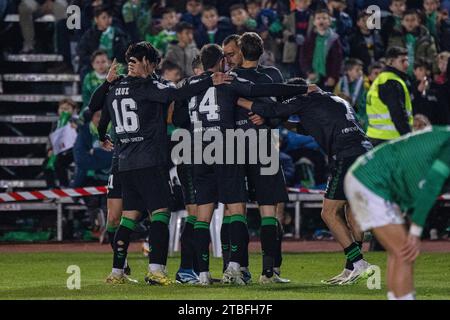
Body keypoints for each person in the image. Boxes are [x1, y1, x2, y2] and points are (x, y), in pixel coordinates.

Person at [103, 41, 233, 285]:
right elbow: (175, 94)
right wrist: (208, 80)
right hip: (149, 161)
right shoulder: (148, 86)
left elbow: (98, 110)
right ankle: (156, 270)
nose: (154, 69)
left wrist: (102, 135)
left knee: (128, 217)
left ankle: (117, 272)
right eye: (152, 64)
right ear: (146, 63)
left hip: (124, 163)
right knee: (160, 215)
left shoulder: (115, 88)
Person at [184, 44, 310, 285]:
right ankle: (235, 267)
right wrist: (302, 88)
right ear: (221, 60)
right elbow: (257, 89)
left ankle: (202, 274)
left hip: (198, 150)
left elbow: (175, 109)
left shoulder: (191, 85)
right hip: (226, 147)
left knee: (203, 216)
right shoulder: (228, 81)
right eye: (226, 56)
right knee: (237, 210)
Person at [237, 78, 374, 285]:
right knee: (351, 211)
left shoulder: (304, 97)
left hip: (346, 156)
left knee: (328, 213)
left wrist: (238, 99)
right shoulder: (334, 100)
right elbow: (305, 127)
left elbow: (273, 109)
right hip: (365, 153)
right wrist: (282, 122)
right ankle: (350, 268)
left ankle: (359, 263)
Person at [345, 126, 450, 300]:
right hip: (371, 181)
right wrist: (416, 231)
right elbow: (431, 186)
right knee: (404, 252)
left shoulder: (443, 136)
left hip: (370, 178)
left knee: (399, 252)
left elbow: (414, 174)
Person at [231, 32, 291, 284]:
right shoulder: (274, 75)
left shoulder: (230, 77)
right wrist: (267, 117)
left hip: (232, 147)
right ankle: (269, 271)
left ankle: (238, 269)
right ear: (262, 51)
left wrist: (258, 112)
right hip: (265, 145)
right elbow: (285, 110)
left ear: (240, 52)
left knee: (237, 211)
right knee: (269, 211)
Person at [171, 56, 204, 284]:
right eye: (204, 69)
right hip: (189, 156)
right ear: (195, 70)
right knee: (194, 214)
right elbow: (175, 120)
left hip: (209, 157)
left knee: (205, 215)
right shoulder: (185, 89)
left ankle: (201, 270)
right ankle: (185, 270)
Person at [366, 46, 413, 146]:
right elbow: (398, 114)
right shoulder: (391, 82)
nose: (407, 64)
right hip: (390, 139)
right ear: (391, 62)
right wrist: (409, 137)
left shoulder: (381, 79)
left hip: (375, 137)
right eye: (402, 61)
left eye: (407, 60)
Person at [78, 6, 129, 81]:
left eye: (109, 17)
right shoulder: (88, 35)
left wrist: (112, 61)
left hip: (113, 64)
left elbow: (124, 52)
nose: (107, 20)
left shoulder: (118, 34)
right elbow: (82, 54)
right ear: (96, 19)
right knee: (84, 71)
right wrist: (96, 62)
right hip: (94, 65)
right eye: (104, 18)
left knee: (124, 69)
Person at [300, 8, 343, 91]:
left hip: (327, 78)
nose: (321, 21)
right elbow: (303, 57)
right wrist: (308, 71)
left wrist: (333, 76)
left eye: (324, 18)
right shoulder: (309, 38)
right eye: (318, 18)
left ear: (329, 22)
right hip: (312, 76)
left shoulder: (334, 39)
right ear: (314, 22)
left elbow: (337, 60)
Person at [387, 9, 437, 77]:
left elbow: (432, 57)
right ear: (402, 22)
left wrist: (435, 73)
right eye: (407, 20)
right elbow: (390, 56)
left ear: (419, 21)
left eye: (413, 20)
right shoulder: (395, 37)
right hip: (400, 74)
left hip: (421, 75)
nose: (410, 23)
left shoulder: (427, 38)